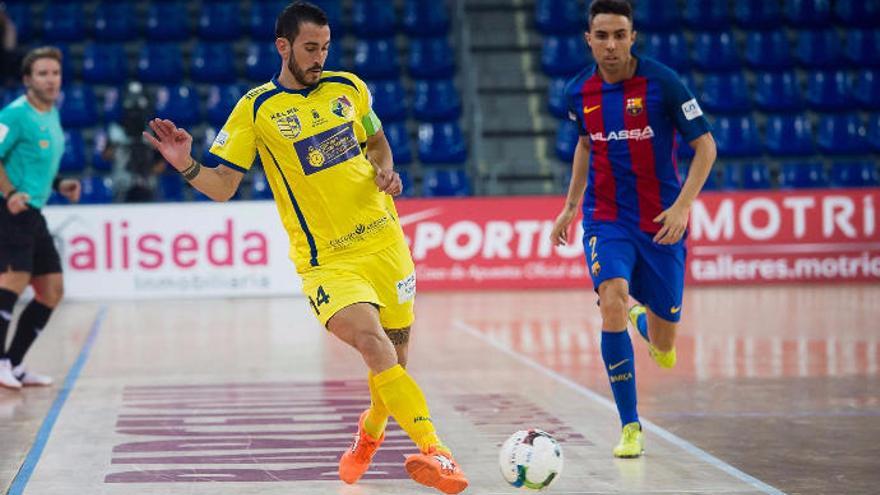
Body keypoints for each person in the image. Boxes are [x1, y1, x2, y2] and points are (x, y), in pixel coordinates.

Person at [143, 2, 467, 493]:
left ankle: (369, 434)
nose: (320, 58)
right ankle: (436, 451)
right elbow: (223, 185)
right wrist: (186, 164)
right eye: (310, 49)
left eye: (325, 48)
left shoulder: (349, 88)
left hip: (385, 242)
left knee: (394, 367)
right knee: (373, 344)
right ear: (284, 47)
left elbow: (377, 141)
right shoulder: (257, 109)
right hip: (328, 261)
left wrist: (384, 167)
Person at [550, 0, 716, 458]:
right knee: (611, 299)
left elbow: (706, 148)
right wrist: (570, 208)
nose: (611, 45)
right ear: (589, 39)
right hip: (607, 219)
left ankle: (646, 321)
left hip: (662, 223)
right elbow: (585, 145)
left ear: (632, 37)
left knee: (665, 346)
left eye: (619, 35)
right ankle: (630, 426)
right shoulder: (576, 92)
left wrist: (683, 207)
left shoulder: (663, 83)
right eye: (601, 36)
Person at [0, 46, 81, 389]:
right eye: (43, 74)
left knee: (51, 290)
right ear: (27, 80)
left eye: (55, 73)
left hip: (33, 212)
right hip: (8, 210)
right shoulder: (14, 115)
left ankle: (14, 364)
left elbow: (37, 166)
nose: (51, 80)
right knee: (12, 281)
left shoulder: (50, 113)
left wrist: (60, 184)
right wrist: (9, 193)